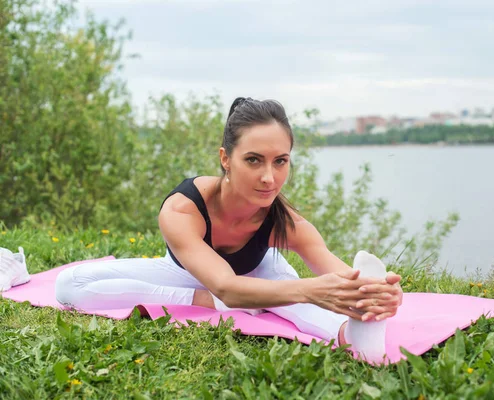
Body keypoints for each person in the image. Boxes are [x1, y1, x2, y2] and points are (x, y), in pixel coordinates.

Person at [54, 97, 403, 347]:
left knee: (296, 301)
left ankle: (350, 335)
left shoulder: (288, 223)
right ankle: (234, 300)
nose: (269, 177)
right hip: (188, 277)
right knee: (69, 286)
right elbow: (224, 285)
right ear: (226, 158)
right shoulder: (182, 210)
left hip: (262, 274)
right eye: (253, 160)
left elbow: (342, 275)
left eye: (280, 161)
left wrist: (375, 293)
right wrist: (308, 289)